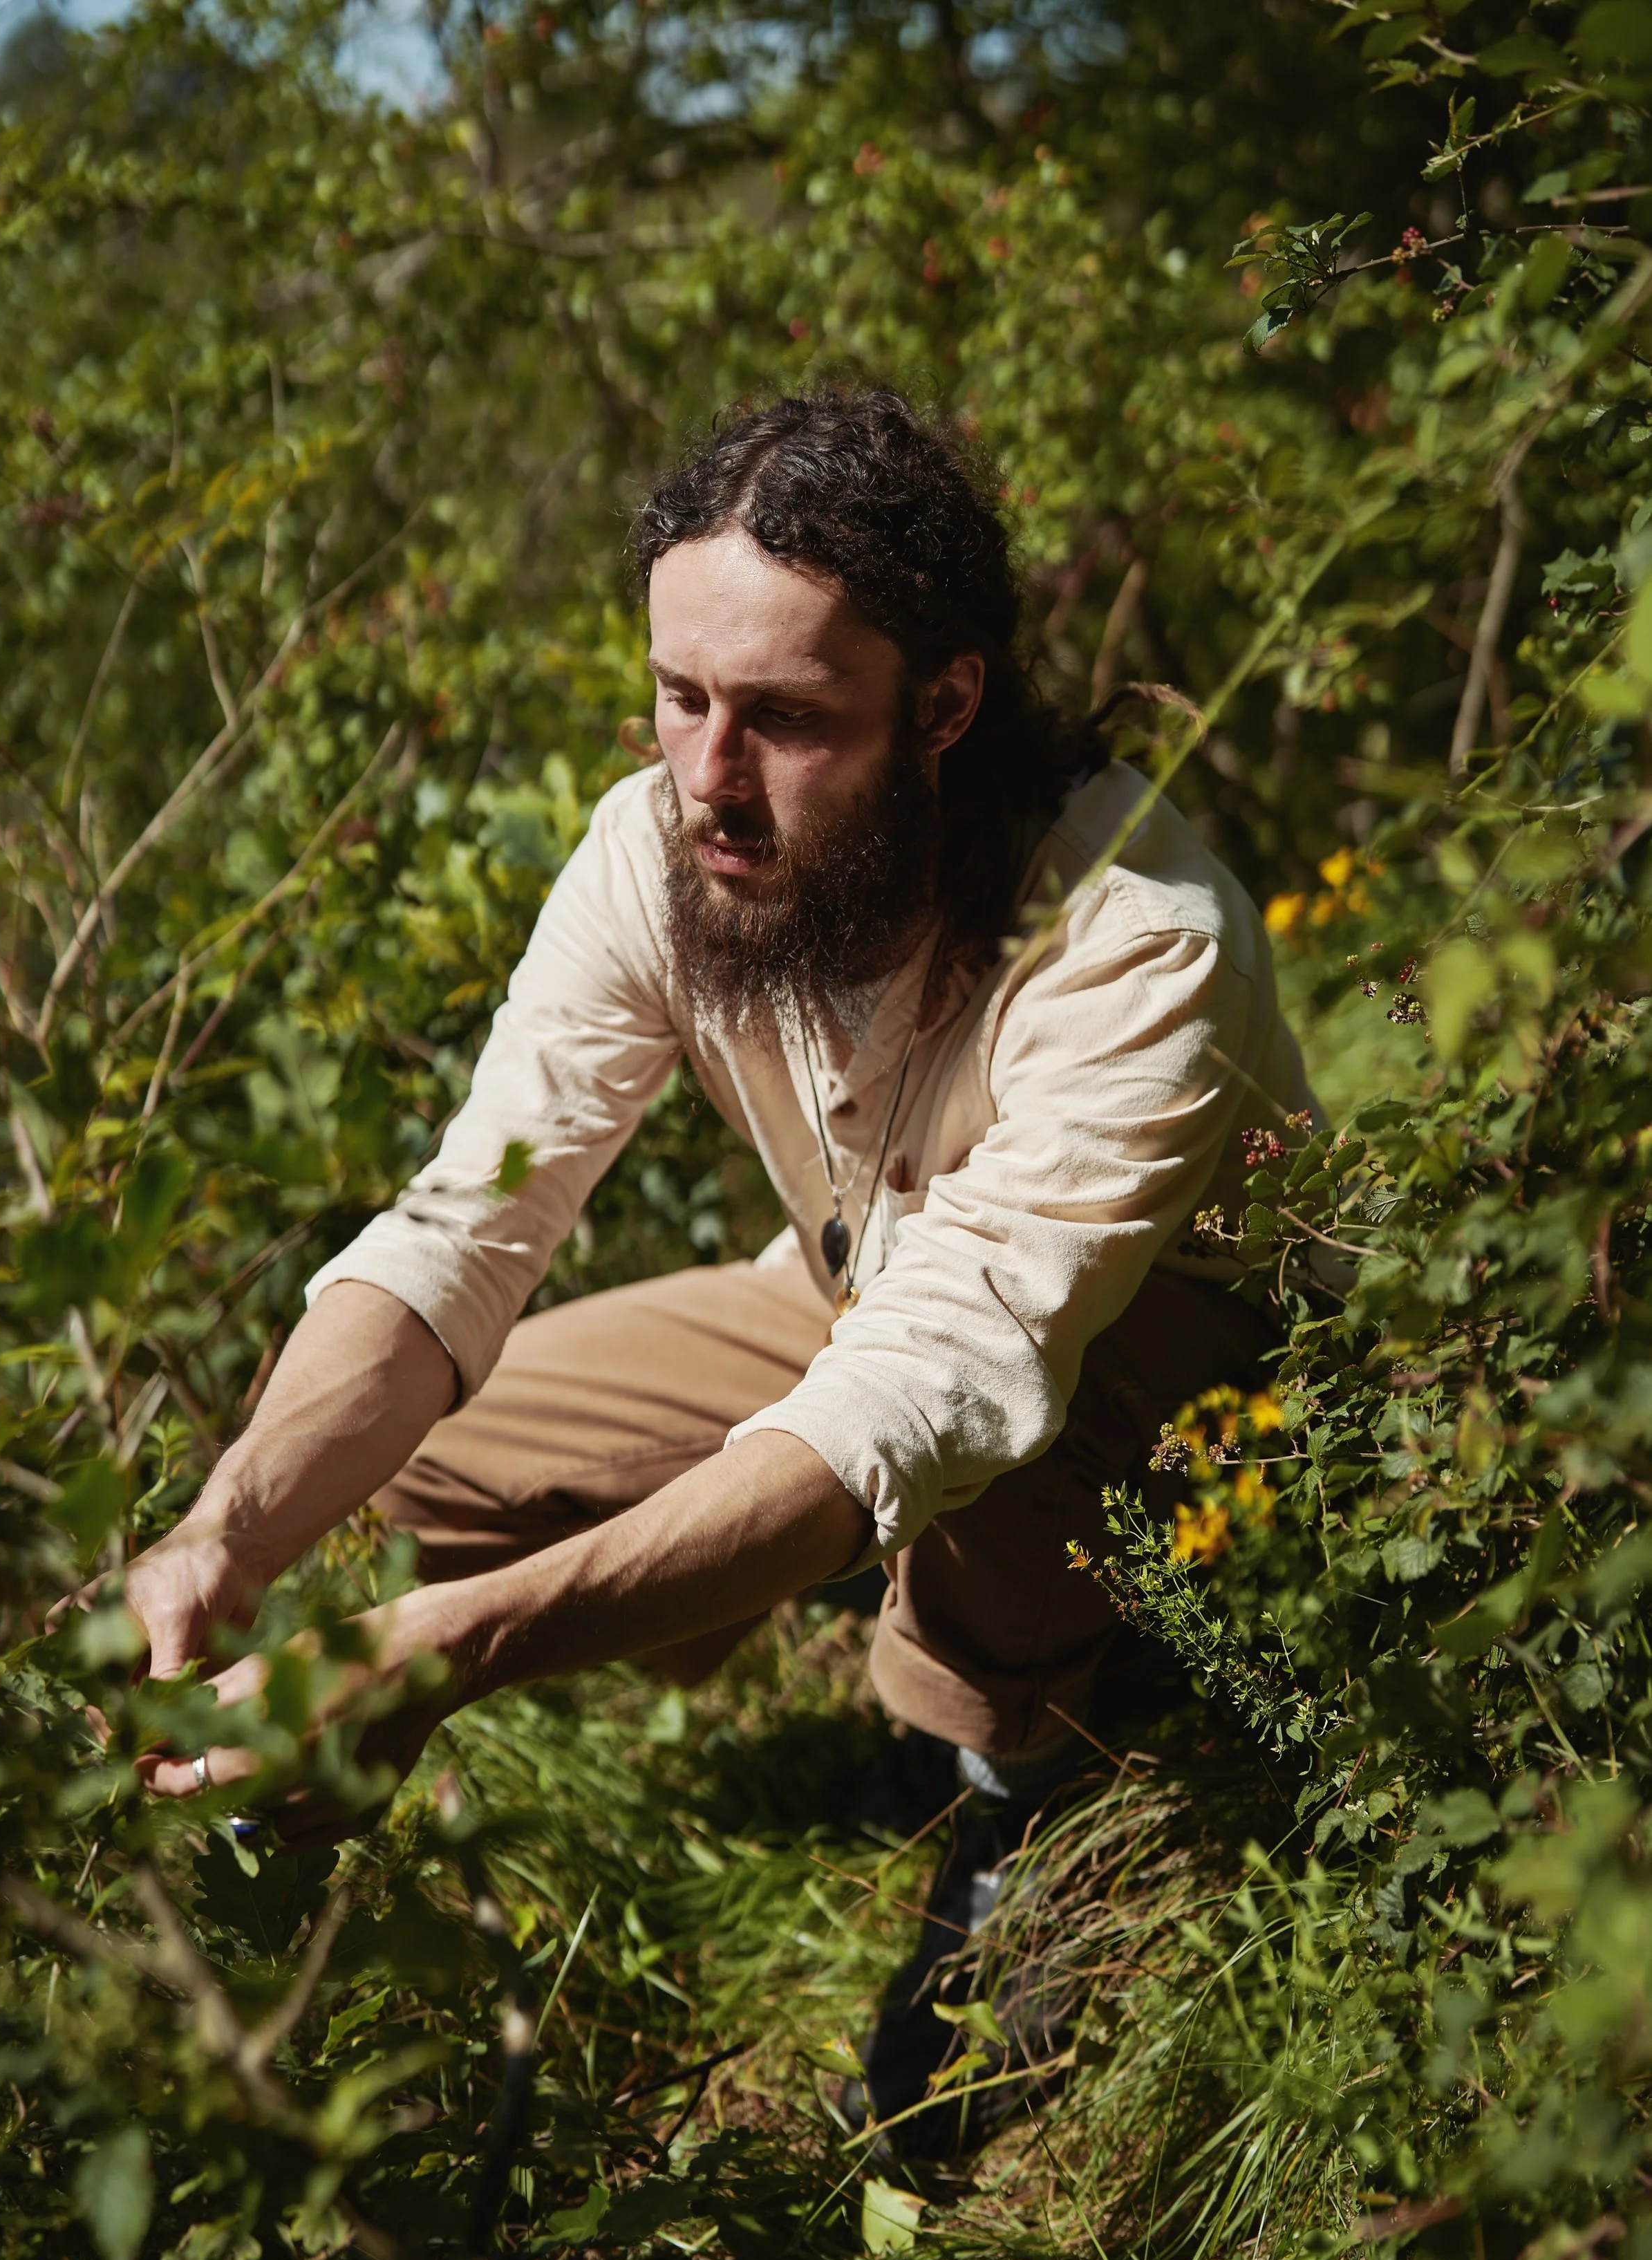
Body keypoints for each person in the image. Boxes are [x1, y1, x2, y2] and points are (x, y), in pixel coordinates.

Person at [126, 387, 1312, 2153]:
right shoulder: (658, 850)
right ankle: (330, 1913)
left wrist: (461, 1646)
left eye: (782, 719)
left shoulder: (1134, 945)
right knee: (425, 1454)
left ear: (945, 706)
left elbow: (940, 1379)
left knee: (986, 1434)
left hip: (1176, 1392)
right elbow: (470, 1224)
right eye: (680, 698)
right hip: (856, 1298)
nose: (704, 777)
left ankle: (1019, 1800)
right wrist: (232, 1526)